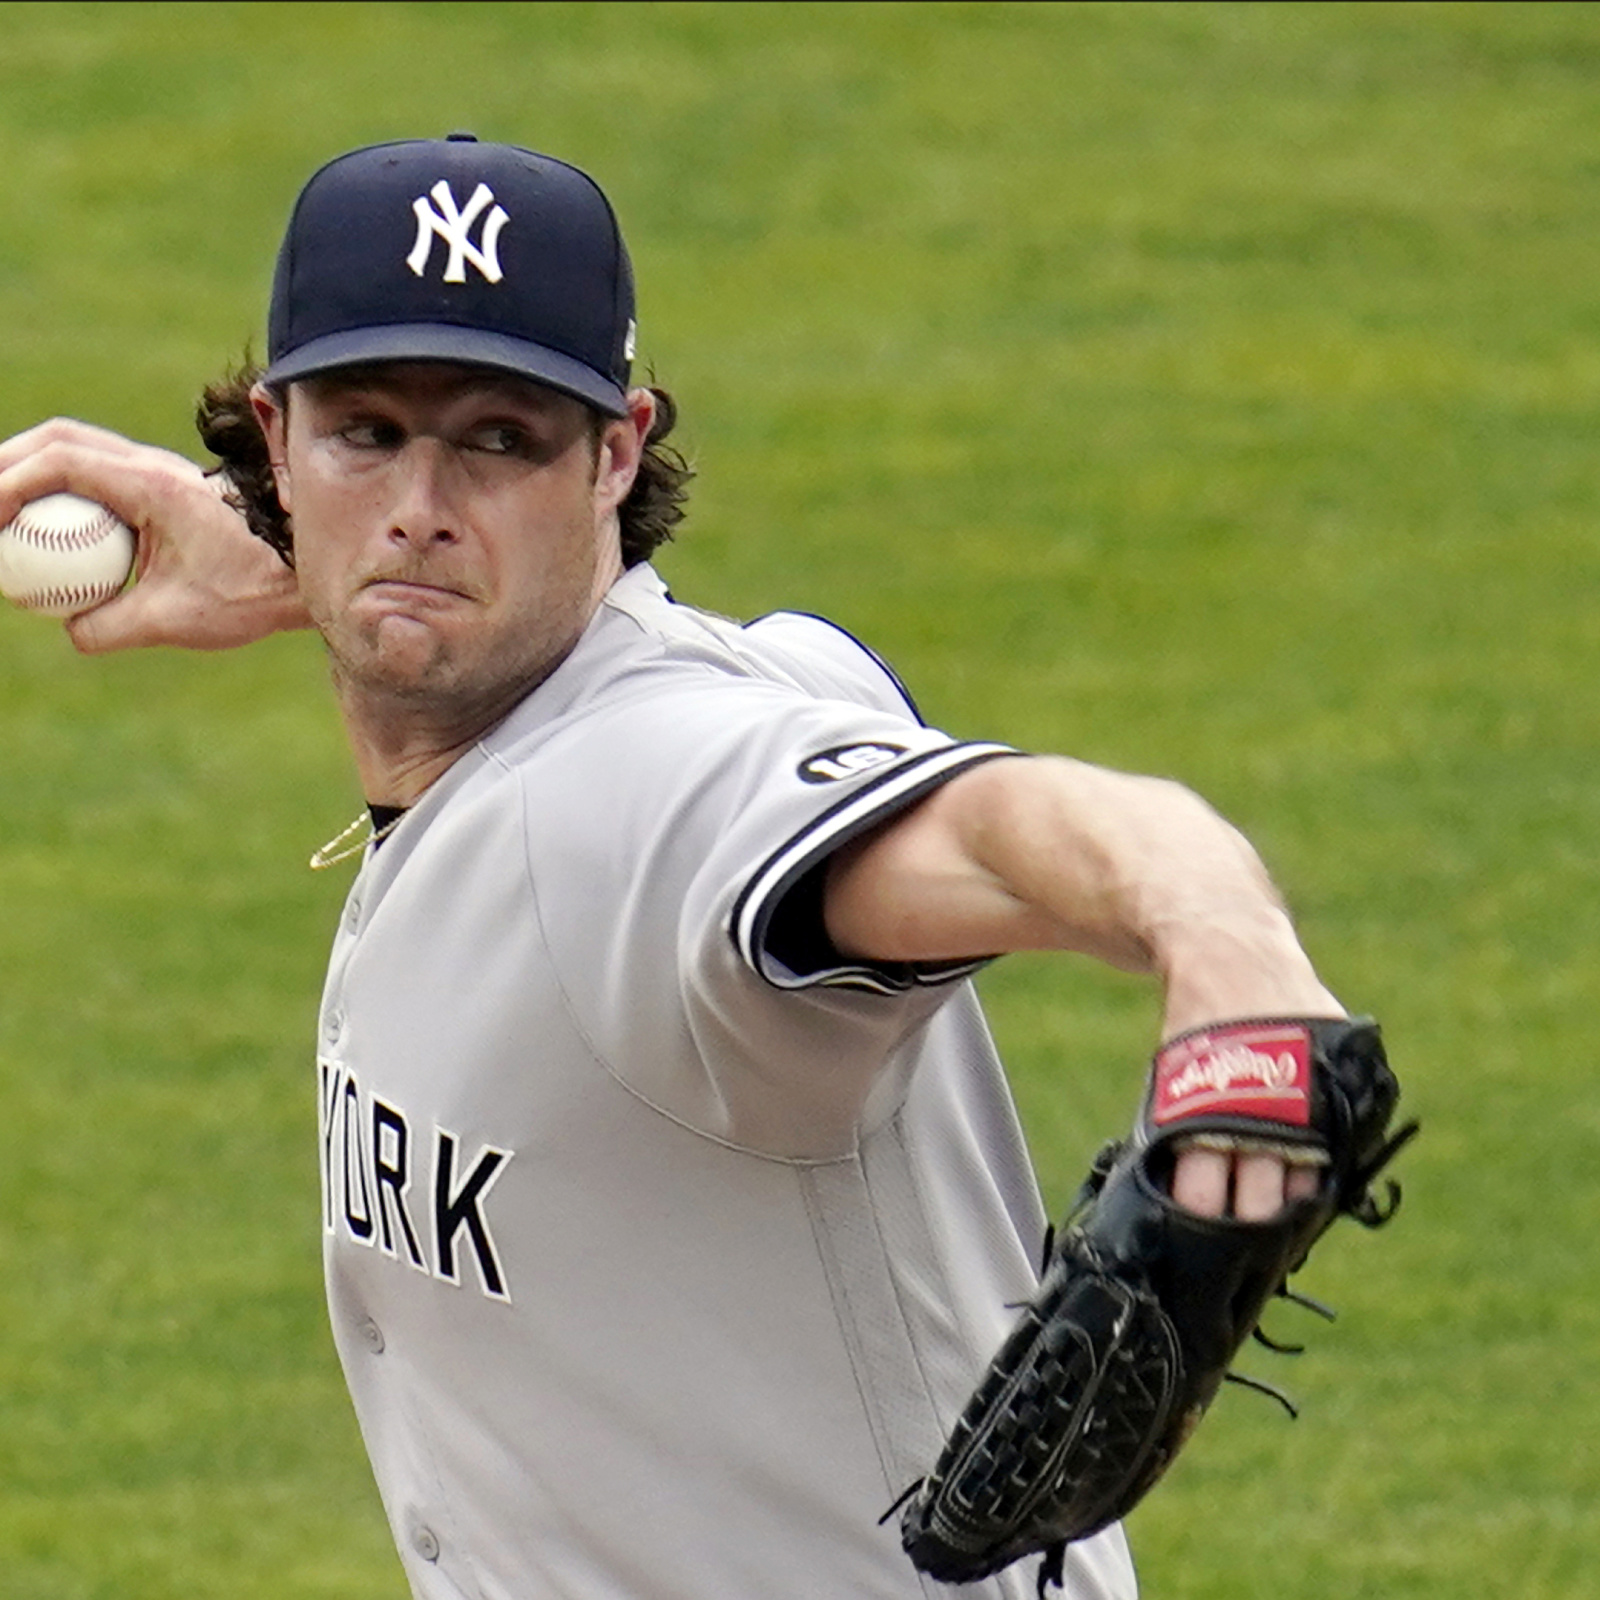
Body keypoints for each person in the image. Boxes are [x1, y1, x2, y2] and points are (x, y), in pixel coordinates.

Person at [0, 136, 1344, 1600]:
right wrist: (330, 591)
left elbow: (991, 827)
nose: (421, 504)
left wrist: (1225, 944)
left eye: (502, 442)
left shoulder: (652, 802)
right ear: (272, 442)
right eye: (365, 432)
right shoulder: (645, 699)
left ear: (619, 452)